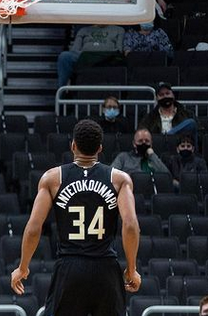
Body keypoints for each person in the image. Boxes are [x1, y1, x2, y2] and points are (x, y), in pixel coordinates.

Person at [10, 119, 141, 315]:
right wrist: (131, 269)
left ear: (73, 146)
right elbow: (130, 226)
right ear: (100, 148)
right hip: (105, 267)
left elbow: (34, 228)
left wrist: (23, 267)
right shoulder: (119, 179)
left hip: (69, 267)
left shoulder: (52, 178)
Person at [57, 24, 125, 87]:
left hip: (106, 57)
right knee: (64, 56)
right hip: (84, 57)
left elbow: (119, 50)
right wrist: (87, 56)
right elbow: (74, 50)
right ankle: (61, 91)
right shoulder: (83, 30)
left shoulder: (119, 30)